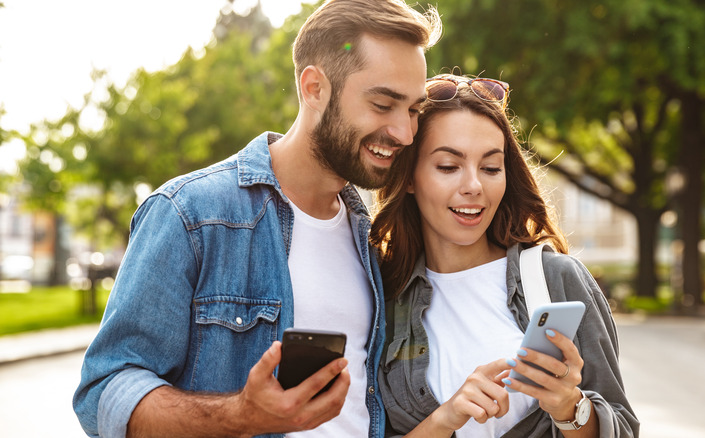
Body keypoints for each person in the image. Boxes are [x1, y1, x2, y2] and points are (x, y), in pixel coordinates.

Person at [73, 1, 442, 437]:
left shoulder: (371, 236)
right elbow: (105, 390)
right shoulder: (191, 214)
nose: (404, 132)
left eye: (414, 110)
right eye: (383, 104)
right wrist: (240, 415)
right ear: (314, 88)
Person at [370, 74, 639, 437]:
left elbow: (622, 428)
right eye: (449, 166)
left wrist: (568, 407)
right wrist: (446, 418)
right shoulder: (380, 296)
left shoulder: (557, 279)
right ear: (409, 178)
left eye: (491, 167)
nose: (474, 186)